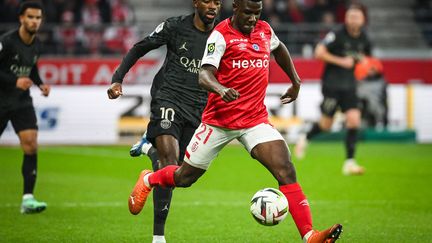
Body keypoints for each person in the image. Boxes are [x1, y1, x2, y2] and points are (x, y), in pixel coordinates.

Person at [126, 0, 343, 242]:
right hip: (218, 122)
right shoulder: (220, 35)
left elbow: (279, 48)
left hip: (254, 120)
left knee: (286, 169)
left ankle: (309, 235)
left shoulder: (264, 30)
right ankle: (149, 179)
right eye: (248, 13)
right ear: (236, 8)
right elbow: (204, 74)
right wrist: (219, 89)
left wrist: (295, 81)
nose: (252, 19)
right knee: (184, 178)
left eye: (257, 13)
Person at [107, 1, 221, 242]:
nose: (213, 6)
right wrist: (118, 79)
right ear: (196, 3)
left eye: (218, 2)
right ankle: (158, 237)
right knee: (169, 163)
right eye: (208, 1)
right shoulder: (175, 27)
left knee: (178, 174)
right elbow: (140, 47)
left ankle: (147, 148)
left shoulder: (222, 36)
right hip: (168, 98)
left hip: (198, 107)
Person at [295, 3, 371, 176]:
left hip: (350, 85)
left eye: (356, 17)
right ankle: (305, 137)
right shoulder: (337, 34)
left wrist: (364, 65)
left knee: (354, 120)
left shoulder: (364, 37)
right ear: (346, 18)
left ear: (362, 19)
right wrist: (341, 61)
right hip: (332, 85)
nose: (353, 20)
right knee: (326, 125)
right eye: (350, 16)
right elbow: (318, 52)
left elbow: (364, 57)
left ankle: (349, 162)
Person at [0, 1, 50, 214]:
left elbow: (31, 69)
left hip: (21, 102)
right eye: (30, 17)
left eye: (38, 18)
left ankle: (27, 199)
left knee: (30, 145)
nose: (34, 21)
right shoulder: (6, 42)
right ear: (21, 18)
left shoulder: (37, 44)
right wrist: (14, 81)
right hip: (1, 100)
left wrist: (40, 84)